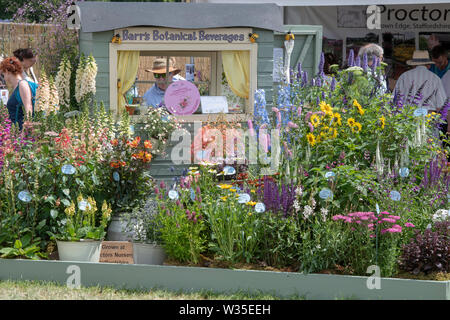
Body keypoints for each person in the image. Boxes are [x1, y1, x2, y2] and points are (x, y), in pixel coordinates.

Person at [0, 57, 37, 130]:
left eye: (3, 74)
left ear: (7, 71)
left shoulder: (22, 84)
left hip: (22, 132)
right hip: (16, 132)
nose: (3, 78)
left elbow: (28, 108)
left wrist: (25, 131)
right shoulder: (16, 88)